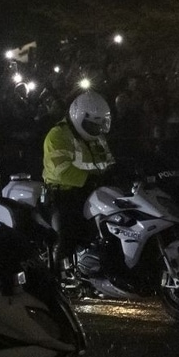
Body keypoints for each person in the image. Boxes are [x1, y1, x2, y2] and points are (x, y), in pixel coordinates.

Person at [42, 90, 115, 281]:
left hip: (93, 191)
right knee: (64, 236)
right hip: (64, 194)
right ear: (78, 117)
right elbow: (61, 170)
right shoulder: (57, 135)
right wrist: (90, 178)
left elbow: (109, 161)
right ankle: (55, 278)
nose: (96, 129)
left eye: (99, 125)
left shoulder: (97, 136)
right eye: (91, 124)